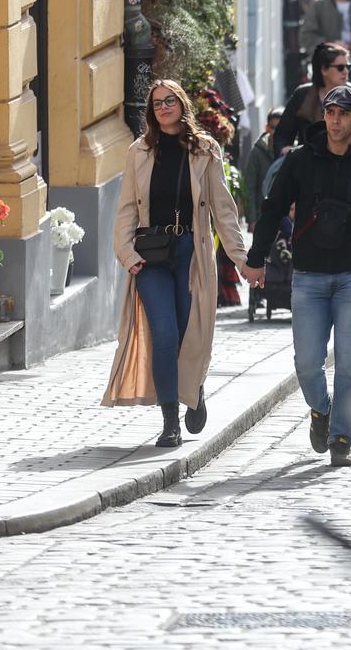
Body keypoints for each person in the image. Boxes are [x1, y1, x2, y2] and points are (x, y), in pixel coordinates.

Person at [244, 84, 351, 468]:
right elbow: (272, 206)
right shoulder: (301, 160)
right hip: (309, 276)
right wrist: (256, 257)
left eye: (344, 113)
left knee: (350, 362)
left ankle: (342, 436)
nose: (335, 120)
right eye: (330, 112)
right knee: (307, 362)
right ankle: (321, 409)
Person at [104, 80, 251, 448]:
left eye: (170, 101)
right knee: (165, 335)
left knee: (191, 333)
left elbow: (223, 209)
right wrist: (127, 254)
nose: (164, 107)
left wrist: (242, 259)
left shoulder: (205, 150)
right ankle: (170, 421)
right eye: (157, 104)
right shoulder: (139, 151)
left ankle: (195, 389)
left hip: (190, 250)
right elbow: (125, 208)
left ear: (181, 104)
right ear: (151, 112)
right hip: (150, 254)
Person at [274, 42, 351, 154]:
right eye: (340, 68)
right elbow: (282, 135)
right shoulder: (302, 95)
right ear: (324, 70)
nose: (346, 72)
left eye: (348, 67)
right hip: (306, 164)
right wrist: (285, 150)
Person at [241, 107, 283, 226]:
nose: (277, 132)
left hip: (286, 219)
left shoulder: (293, 151)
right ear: (267, 128)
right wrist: (252, 219)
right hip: (262, 216)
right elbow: (250, 187)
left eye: (281, 128)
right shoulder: (257, 152)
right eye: (274, 128)